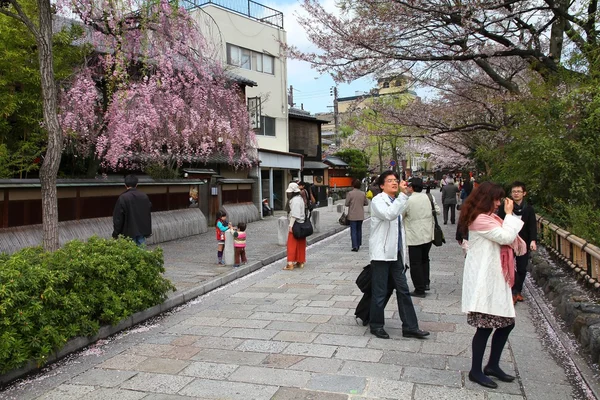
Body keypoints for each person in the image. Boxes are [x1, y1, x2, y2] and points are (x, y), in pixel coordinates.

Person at [458, 182, 526, 389]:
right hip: (485, 280)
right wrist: (510, 214)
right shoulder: (480, 219)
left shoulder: (490, 218)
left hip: (495, 278)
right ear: (487, 199)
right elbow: (506, 236)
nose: (498, 203)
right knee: (485, 327)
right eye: (496, 199)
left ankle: (492, 365)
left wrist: (507, 217)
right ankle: (476, 370)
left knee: (507, 323)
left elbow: (508, 236)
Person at [368, 170, 430, 340]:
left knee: (403, 290)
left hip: (396, 254)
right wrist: (403, 196)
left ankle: (410, 326)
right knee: (380, 291)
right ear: (382, 185)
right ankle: (376, 325)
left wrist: (402, 197)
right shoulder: (377, 201)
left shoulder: (396, 200)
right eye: (389, 181)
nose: (394, 183)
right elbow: (389, 215)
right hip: (381, 254)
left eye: (395, 180)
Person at [497, 181, 537, 304]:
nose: (516, 193)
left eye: (519, 191)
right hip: (508, 241)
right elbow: (499, 221)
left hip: (523, 242)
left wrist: (533, 240)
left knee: (522, 267)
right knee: (508, 266)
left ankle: (518, 290)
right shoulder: (506, 207)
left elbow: (532, 226)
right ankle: (512, 290)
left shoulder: (529, 209)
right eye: (514, 191)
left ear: (524, 193)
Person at [403, 177, 440, 296]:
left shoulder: (408, 201)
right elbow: (437, 211)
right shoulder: (429, 197)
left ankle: (419, 289)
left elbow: (401, 215)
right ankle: (425, 283)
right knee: (425, 259)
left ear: (412, 187)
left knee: (415, 262)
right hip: (428, 233)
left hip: (414, 235)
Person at [112, 174, 152, 246]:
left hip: (128, 231)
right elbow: (147, 214)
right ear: (136, 185)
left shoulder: (123, 198)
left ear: (125, 185)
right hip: (142, 230)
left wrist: (116, 233)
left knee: (130, 253)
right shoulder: (144, 196)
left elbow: (118, 218)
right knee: (142, 253)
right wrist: (148, 231)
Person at [284, 182, 307, 271]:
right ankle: (300, 261)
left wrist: (290, 225)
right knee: (301, 243)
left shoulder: (294, 200)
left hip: (296, 223)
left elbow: (294, 214)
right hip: (302, 223)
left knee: (291, 244)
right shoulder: (300, 198)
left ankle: (290, 263)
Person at [345, 179, 369, 252]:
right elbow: (366, 203)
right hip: (360, 214)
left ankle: (354, 245)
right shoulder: (363, 193)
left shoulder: (350, 193)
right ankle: (358, 244)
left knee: (353, 230)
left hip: (352, 215)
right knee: (359, 230)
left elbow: (346, 203)